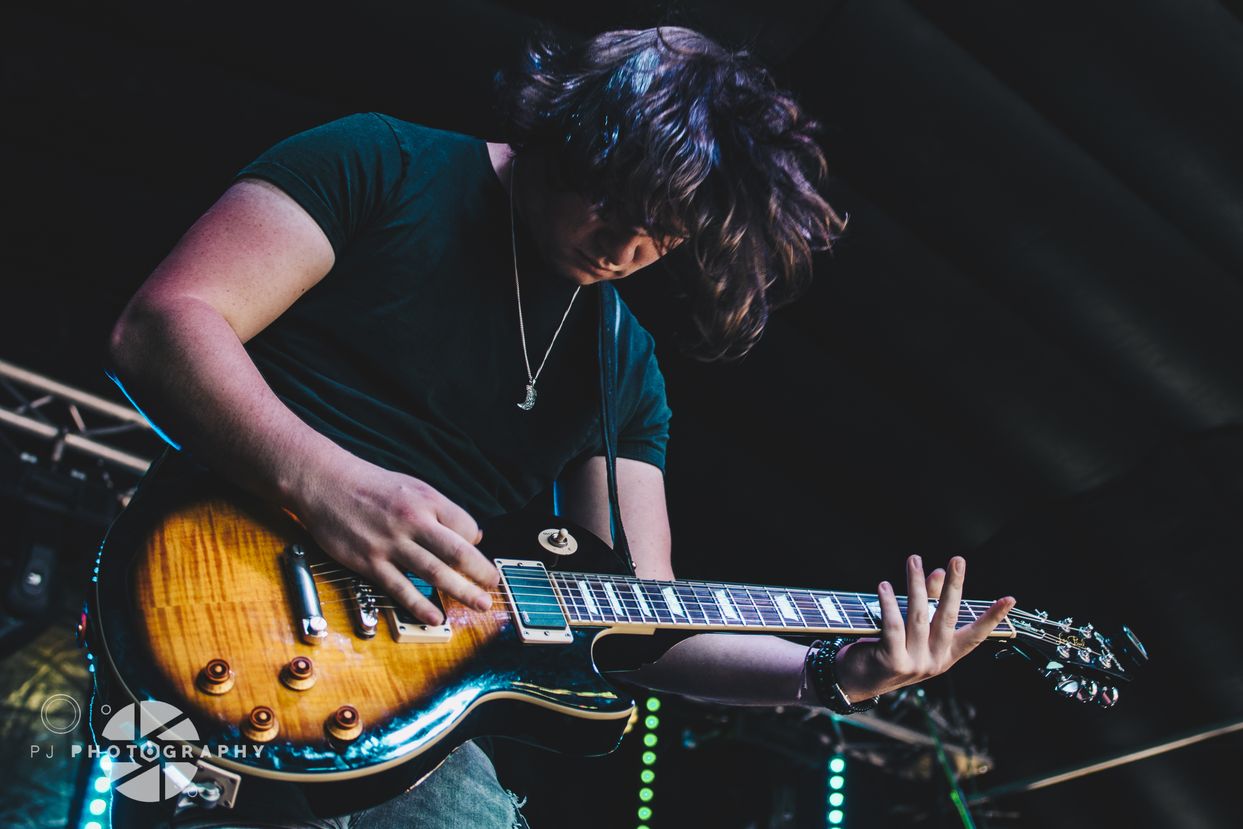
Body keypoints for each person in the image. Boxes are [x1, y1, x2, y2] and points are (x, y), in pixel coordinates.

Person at [105, 26, 1014, 829]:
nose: (624, 251)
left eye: (662, 236)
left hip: (405, 707)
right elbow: (160, 325)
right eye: (613, 207)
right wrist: (328, 484)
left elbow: (653, 620)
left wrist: (833, 675)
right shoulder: (378, 161)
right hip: (194, 611)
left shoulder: (623, 364)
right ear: (570, 127)